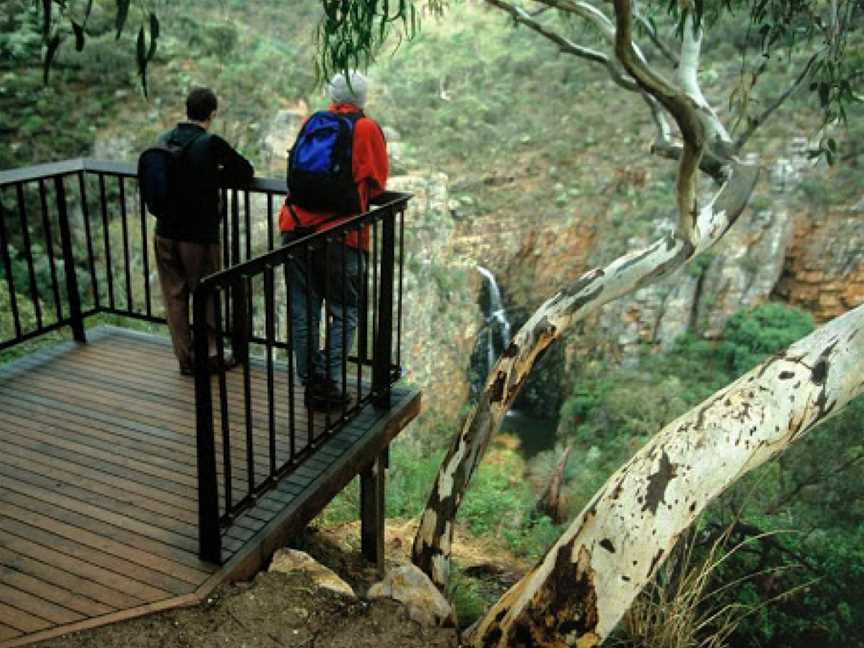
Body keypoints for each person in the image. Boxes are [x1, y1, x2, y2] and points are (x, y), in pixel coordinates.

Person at [279, 71, 389, 409]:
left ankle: (310, 381)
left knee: (303, 311)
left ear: (332, 95)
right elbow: (378, 184)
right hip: (341, 235)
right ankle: (330, 382)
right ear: (363, 97)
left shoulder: (315, 121)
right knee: (344, 311)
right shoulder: (366, 128)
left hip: (294, 227)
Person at [154, 87, 254, 375]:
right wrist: (215, 176)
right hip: (197, 236)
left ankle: (185, 360)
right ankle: (210, 357)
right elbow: (244, 171)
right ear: (212, 113)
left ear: (187, 110)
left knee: (174, 296)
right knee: (206, 293)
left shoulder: (164, 140)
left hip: (163, 233)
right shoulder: (210, 144)